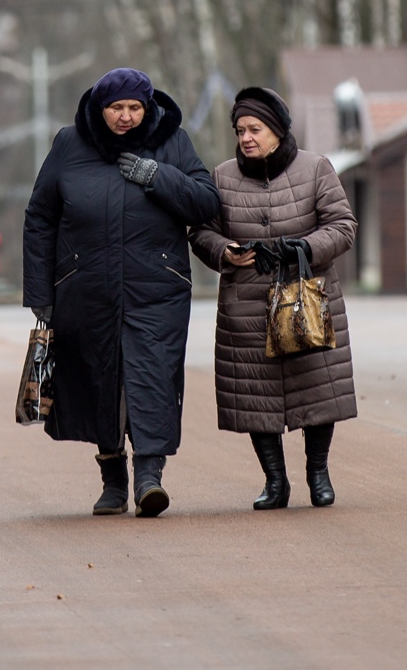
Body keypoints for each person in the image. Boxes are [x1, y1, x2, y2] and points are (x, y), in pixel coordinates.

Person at [23, 68, 220, 518]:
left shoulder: (172, 142)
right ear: (100, 109)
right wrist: (40, 291)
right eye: (117, 108)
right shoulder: (69, 145)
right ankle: (113, 480)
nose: (127, 117)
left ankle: (150, 478)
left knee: (152, 378)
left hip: (158, 289)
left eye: (135, 107)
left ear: (147, 107)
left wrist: (157, 175)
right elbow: (39, 218)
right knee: (97, 379)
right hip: (84, 290)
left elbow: (206, 202)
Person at [188, 86, 357, 510]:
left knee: (318, 387)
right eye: (240, 130)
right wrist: (224, 251)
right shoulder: (222, 176)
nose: (246, 137)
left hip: (308, 297)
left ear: (278, 130)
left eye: (255, 129)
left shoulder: (316, 168)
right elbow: (201, 231)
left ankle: (318, 474)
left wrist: (305, 247)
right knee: (254, 393)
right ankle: (275, 482)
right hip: (246, 304)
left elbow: (342, 225)